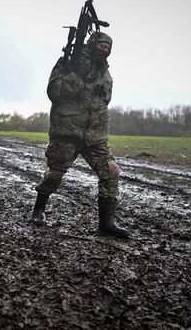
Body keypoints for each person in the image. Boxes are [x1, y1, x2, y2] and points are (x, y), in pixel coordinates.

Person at [31, 31, 128, 238]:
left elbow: (104, 101)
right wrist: (77, 74)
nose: (105, 50)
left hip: (95, 136)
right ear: (92, 44)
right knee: (55, 175)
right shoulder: (68, 63)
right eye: (101, 46)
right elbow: (54, 92)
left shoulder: (106, 73)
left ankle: (106, 223)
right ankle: (38, 209)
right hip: (67, 131)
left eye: (108, 48)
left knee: (111, 171)